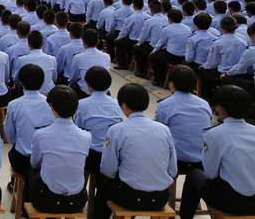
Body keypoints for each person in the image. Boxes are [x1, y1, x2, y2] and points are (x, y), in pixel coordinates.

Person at [93, 83, 177, 219]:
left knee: (103, 183)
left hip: (130, 197)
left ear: (124, 106)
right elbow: (172, 170)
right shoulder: (164, 129)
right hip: (160, 197)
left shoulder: (117, 130)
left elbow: (108, 169)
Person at [179, 85, 255, 219]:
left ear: (220, 108)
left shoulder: (215, 134)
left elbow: (210, 173)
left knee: (193, 174)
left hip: (232, 201)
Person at [29, 86, 91, 213]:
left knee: (32, 170)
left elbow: (34, 163)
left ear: (52, 107)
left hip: (47, 200)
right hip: (77, 200)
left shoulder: (41, 135)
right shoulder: (86, 136)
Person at [5, 64, 55, 194]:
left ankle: (16, 184)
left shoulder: (14, 105)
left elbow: (10, 135)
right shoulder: (51, 103)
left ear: (21, 82)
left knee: (13, 152)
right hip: (47, 158)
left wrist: (20, 142)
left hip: (23, 158)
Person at [154, 65, 212, 171]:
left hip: (176, 159)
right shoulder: (204, 104)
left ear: (172, 84)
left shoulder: (165, 105)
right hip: (202, 158)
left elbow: (159, 131)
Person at [74, 67, 123, 174]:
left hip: (90, 153)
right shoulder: (117, 104)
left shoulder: (81, 105)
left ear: (88, 85)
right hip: (112, 153)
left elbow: (78, 129)